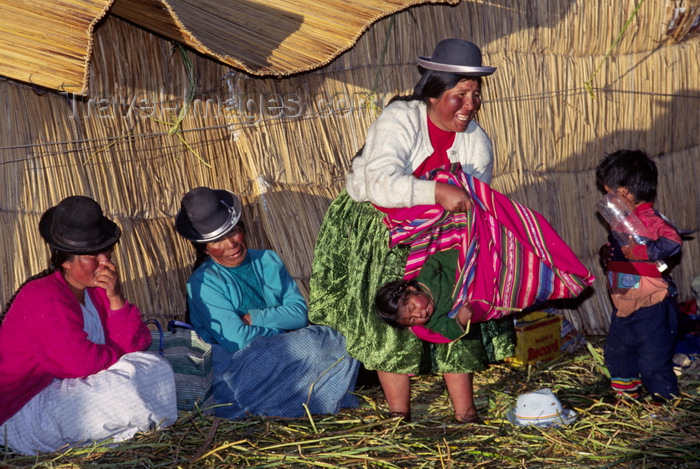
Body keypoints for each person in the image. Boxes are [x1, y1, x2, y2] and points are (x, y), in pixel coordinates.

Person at [308, 39, 516, 423]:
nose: (470, 105)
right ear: (435, 91)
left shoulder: (476, 143)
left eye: (476, 95)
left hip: (444, 235)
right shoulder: (400, 119)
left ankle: (465, 414)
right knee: (391, 319)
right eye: (460, 95)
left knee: (458, 309)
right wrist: (435, 190)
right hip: (381, 226)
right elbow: (379, 182)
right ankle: (398, 416)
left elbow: (476, 200)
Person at [0, 196, 177, 455]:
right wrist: (121, 355)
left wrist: (116, 298)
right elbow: (80, 363)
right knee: (123, 389)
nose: (105, 261)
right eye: (93, 255)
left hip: (73, 388)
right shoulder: (41, 296)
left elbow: (140, 342)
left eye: (106, 252)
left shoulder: (97, 291)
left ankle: (119, 432)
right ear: (66, 261)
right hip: (26, 410)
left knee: (157, 367)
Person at [175, 187, 360, 420]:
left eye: (233, 232)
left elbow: (300, 314)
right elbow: (238, 339)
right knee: (310, 346)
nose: (231, 244)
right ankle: (299, 397)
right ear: (205, 248)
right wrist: (283, 333)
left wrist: (254, 317)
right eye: (218, 241)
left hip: (286, 352)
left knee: (338, 339)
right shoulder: (203, 283)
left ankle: (292, 396)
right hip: (239, 366)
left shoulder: (268, 260)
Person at [596, 149, 682, 402]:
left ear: (622, 193)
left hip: (652, 304)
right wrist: (608, 254)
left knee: (653, 357)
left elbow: (673, 242)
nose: (606, 198)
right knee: (618, 353)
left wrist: (640, 251)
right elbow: (622, 255)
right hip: (626, 302)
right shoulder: (625, 222)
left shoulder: (651, 220)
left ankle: (665, 403)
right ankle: (627, 398)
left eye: (607, 192)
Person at [375, 250, 473, 340]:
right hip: (475, 292)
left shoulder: (427, 276)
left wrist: (462, 264)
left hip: (471, 265)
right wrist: (460, 320)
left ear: (411, 289)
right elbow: (448, 332)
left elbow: (439, 259)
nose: (418, 315)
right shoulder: (432, 321)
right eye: (412, 321)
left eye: (412, 308)